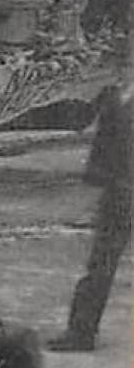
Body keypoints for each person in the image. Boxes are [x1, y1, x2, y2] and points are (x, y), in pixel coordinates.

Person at [49, 79, 133, 352]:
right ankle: (81, 332)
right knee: (100, 265)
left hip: (123, 189)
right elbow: (98, 139)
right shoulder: (114, 94)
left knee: (101, 264)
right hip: (118, 193)